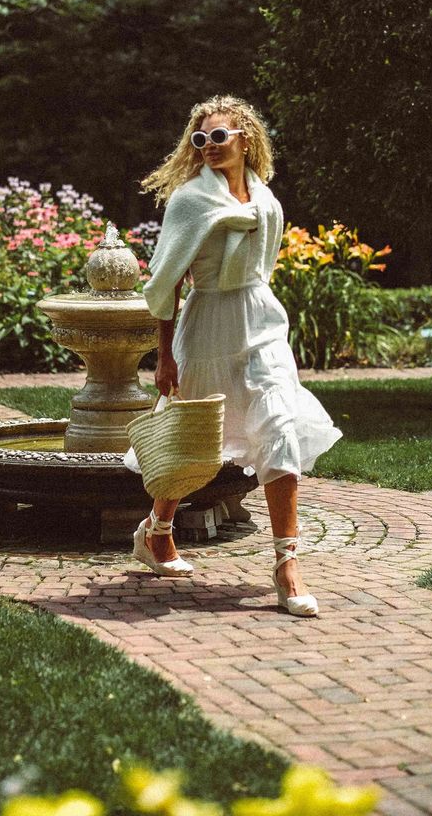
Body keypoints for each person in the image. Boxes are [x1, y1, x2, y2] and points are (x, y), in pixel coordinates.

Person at [124, 95, 342, 617]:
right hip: (206, 327)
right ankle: (156, 532)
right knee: (191, 442)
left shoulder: (266, 199)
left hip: (260, 322)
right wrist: (164, 356)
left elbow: (261, 265)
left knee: (279, 427)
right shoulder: (190, 200)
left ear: (245, 137)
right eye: (200, 141)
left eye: (218, 137)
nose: (209, 148)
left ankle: (288, 566)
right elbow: (166, 281)